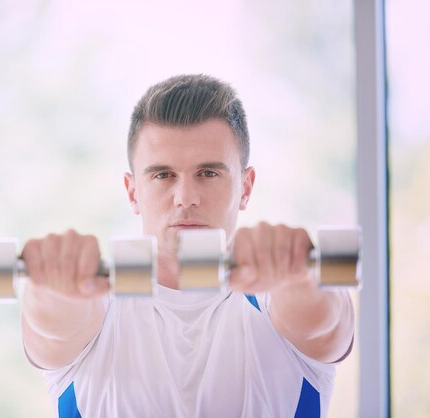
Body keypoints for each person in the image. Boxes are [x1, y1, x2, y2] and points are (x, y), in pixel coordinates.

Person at [20, 74, 354, 417]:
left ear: (246, 187)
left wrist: (296, 273)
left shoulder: (282, 297)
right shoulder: (93, 302)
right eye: (163, 175)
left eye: (208, 173)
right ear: (133, 191)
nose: (186, 198)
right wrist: (49, 284)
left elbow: (325, 320)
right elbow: (52, 322)